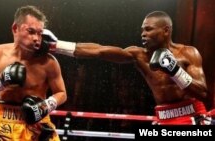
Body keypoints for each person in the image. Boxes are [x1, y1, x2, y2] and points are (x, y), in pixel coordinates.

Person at [41, 11, 212, 125]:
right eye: (142, 30)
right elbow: (100, 51)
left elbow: (203, 92)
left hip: (192, 116)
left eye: (148, 29)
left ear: (166, 30)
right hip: (163, 118)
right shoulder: (139, 55)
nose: (143, 34)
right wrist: (57, 46)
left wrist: (175, 70)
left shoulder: (188, 53)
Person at [0, 5, 67, 140]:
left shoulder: (49, 62)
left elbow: (62, 93)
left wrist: (46, 105)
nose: (36, 38)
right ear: (15, 28)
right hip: (2, 125)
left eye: (39, 33)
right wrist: (1, 82)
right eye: (31, 31)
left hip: (38, 127)